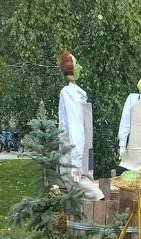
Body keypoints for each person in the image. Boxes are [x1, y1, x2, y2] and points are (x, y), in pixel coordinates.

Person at [57, 50, 104, 200]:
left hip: (73, 146)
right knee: (86, 178)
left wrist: (75, 162)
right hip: (84, 145)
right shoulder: (79, 93)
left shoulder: (68, 93)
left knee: (78, 182)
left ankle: (100, 203)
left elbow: (75, 126)